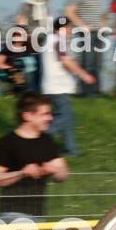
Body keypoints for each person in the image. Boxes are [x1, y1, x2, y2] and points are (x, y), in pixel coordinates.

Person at [0, 92, 68, 223]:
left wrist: (55, 171)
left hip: (39, 216)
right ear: (27, 116)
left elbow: (64, 175)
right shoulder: (6, 143)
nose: (50, 118)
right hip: (11, 216)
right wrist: (22, 173)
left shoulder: (48, 141)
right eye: (45, 114)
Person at [41, 17, 96, 157]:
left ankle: (71, 150)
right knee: (63, 118)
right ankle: (38, 141)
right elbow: (65, 61)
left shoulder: (50, 39)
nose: (70, 31)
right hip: (57, 87)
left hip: (54, 86)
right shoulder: (58, 40)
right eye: (69, 27)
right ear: (62, 28)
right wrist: (84, 75)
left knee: (68, 118)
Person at [65, 0, 106, 97]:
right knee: (87, 63)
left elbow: (99, 15)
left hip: (98, 33)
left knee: (97, 64)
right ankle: (86, 92)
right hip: (86, 33)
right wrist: (81, 25)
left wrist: (103, 26)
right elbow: (69, 11)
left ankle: (96, 91)